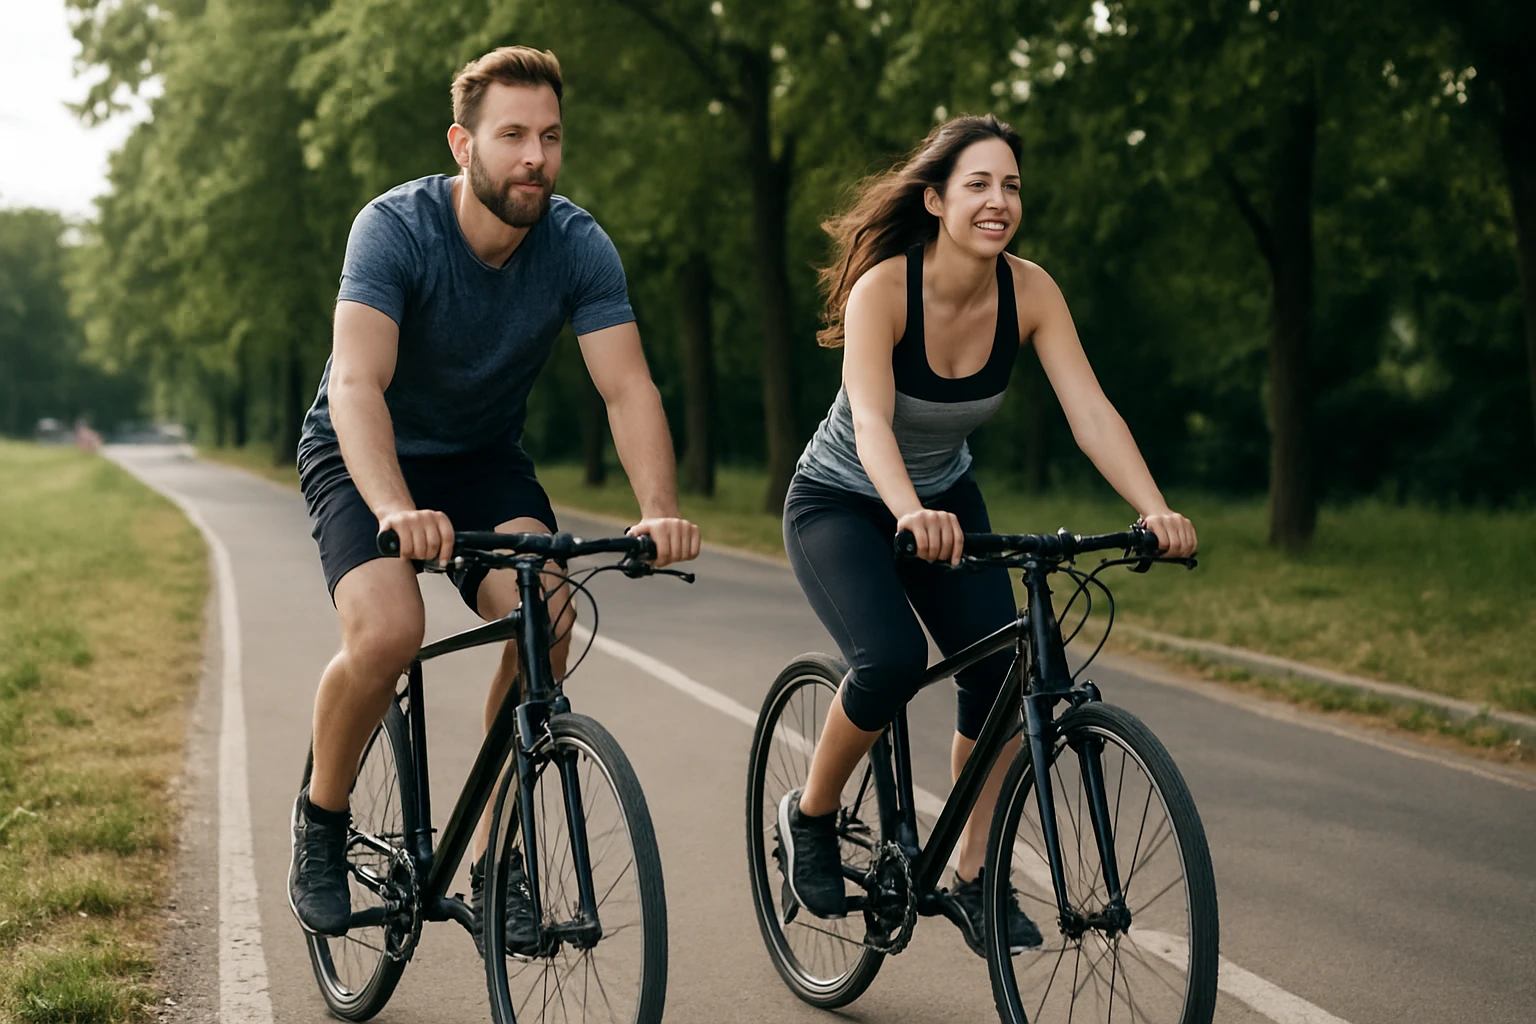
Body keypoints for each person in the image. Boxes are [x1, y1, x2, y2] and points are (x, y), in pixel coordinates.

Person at [287, 46, 701, 947]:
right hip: (366, 453)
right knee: (392, 633)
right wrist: (397, 508)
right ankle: (322, 817)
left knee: (548, 617)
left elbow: (628, 389)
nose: (535, 158)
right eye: (512, 135)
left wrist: (659, 509)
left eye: (550, 137)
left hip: (479, 460)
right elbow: (357, 386)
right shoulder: (393, 230)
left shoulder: (577, 244)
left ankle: (496, 854)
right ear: (462, 143)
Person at [776, 114, 1197, 957]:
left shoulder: (1030, 291)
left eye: (1010, 186)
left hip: (942, 499)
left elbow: (1088, 410)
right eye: (978, 184)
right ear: (934, 200)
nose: (998, 201)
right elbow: (869, 421)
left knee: (1004, 669)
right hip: (841, 501)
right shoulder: (885, 290)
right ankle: (811, 818)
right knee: (890, 661)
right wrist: (903, 512)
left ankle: (974, 872)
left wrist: (1154, 508)